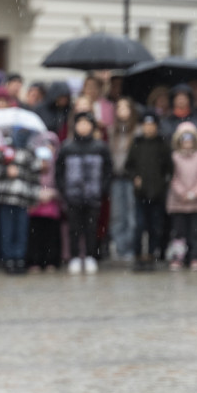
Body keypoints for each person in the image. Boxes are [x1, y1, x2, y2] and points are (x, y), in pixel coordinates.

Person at [57, 112, 112, 274]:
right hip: (72, 194)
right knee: (74, 227)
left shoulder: (100, 147)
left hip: (94, 195)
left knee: (91, 227)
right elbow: (59, 171)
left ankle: (90, 256)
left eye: (86, 123)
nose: (83, 127)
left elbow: (108, 170)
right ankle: (74, 256)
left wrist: (103, 189)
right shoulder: (67, 146)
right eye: (80, 123)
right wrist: (64, 189)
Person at [0, 127, 43, 273]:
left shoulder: (30, 151)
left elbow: (35, 175)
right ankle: (7, 258)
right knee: (6, 229)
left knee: (21, 230)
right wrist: (5, 171)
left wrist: (34, 197)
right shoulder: (2, 149)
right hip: (6, 196)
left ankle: (19, 258)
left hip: (23, 197)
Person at [126, 111, 173, 271]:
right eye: (146, 125)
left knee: (155, 226)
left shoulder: (162, 144)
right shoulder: (137, 143)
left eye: (151, 125)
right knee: (139, 226)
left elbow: (169, 168)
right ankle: (138, 256)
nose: (149, 128)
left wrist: (163, 183)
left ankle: (152, 255)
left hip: (158, 193)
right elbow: (129, 165)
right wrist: (135, 177)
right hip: (140, 194)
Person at [166, 122, 197, 271]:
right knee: (179, 233)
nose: (187, 142)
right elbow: (173, 178)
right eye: (184, 138)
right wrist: (182, 193)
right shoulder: (174, 157)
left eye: (190, 138)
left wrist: (193, 193)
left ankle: (196, 257)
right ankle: (178, 257)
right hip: (178, 203)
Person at [107, 97, 138, 262]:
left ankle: (130, 248)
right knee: (118, 215)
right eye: (119, 108)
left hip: (131, 178)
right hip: (116, 178)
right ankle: (120, 249)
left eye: (125, 108)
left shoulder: (137, 132)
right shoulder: (112, 131)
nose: (122, 111)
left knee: (132, 215)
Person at [27, 133, 63, 271]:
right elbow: (28, 181)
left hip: (52, 206)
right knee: (35, 235)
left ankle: (51, 261)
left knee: (51, 235)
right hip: (35, 207)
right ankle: (34, 261)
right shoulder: (33, 164)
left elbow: (62, 182)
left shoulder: (58, 164)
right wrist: (37, 193)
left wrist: (53, 193)